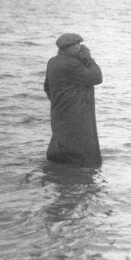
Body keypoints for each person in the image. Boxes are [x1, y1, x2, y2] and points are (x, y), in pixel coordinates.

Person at [44, 33, 103, 167]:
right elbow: (96, 77)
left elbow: (47, 88)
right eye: (78, 45)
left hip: (59, 112)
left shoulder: (53, 62)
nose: (81, 48)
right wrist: (88, 59)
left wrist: (61, 101)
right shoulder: (72, 63)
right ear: (69, 47)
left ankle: (60, 172)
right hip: (76, 115)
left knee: (62, 144)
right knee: (83, 155)